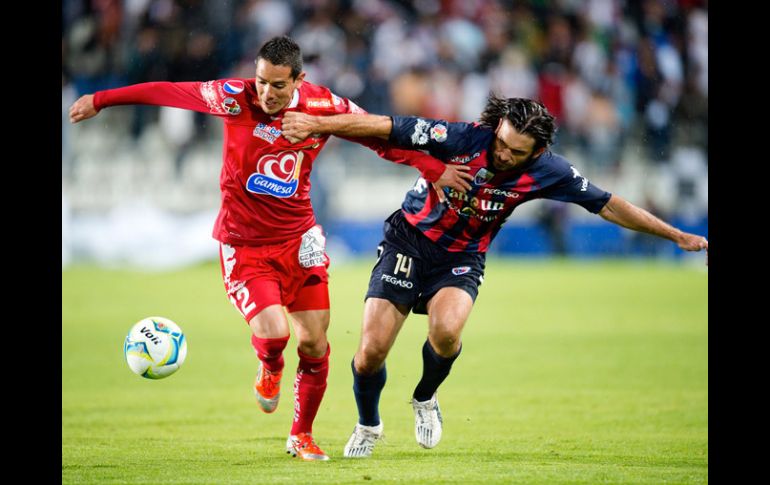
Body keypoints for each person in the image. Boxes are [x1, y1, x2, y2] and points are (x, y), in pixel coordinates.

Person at [68, 35, 472, 461]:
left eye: (278, 85)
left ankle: (301, 435)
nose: (267, 93)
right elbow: (170, 91)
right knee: (277, 333)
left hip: (300, 242)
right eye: (262, 81)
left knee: (316, 344)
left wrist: (432, 168)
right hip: (244, 246)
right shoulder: (233, 98)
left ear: (300, 78)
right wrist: (102, 99)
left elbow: (379, 136)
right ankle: (270, 366)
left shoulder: (323, 107)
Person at [281, 95, 708, 457]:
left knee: (447, 333)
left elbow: (608, 203)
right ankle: (369, 424)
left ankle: (425, 396)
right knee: (371, 350)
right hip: (408, 241)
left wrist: (675, 235)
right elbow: (383, 126)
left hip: (462, 256)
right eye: (501, 143)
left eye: (514, 151)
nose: (502, 154)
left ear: (537, 151)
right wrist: (318, 122)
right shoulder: (463, 138)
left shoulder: (550, 171)